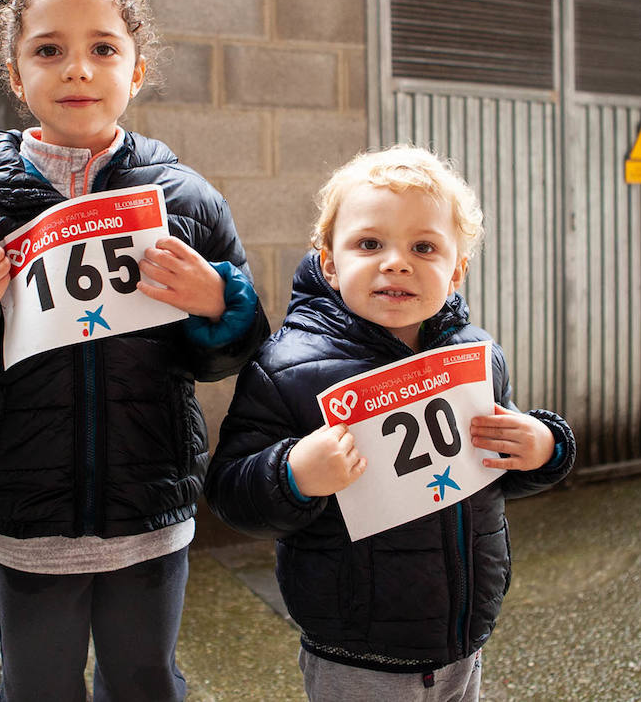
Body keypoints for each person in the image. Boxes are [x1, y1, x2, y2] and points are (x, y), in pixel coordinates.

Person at [0, 0, 268, 702]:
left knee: (144, 680)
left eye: (103, 48)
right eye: (49, 50)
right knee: (38, 686)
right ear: (16, 74)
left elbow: (230, 357)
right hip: (28, 515)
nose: (78, 69)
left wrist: (221, 305)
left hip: (149, 503)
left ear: (137, 68)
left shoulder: (186, 200)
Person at [204, 145, 574, 702]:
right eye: (369, 244)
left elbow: (494, 465)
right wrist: (292, 475)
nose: (396, 262)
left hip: (463, 636)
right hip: (357, 648)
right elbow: (230, 492)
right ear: (329, 260)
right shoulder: (287, 367)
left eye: (423, 247)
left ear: (457, 269)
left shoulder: (476, 356)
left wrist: (544, 447)